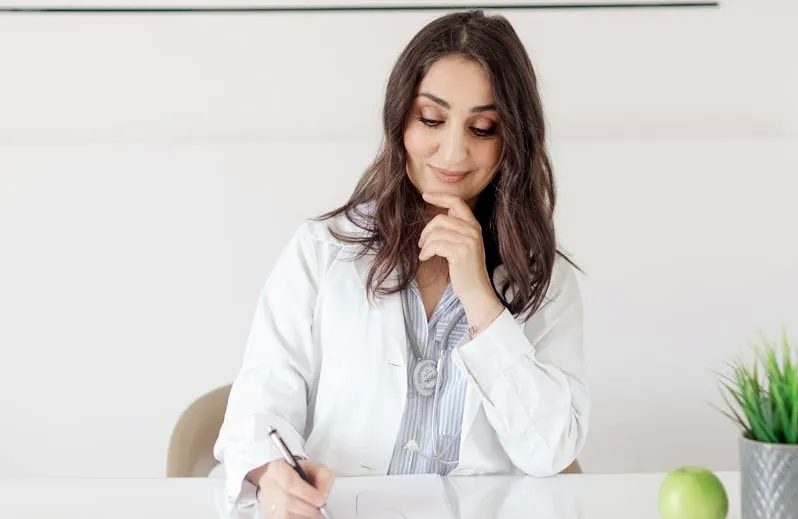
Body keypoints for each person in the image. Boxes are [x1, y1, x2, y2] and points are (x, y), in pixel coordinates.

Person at [214, 9, 590, 519]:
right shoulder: (322, 251)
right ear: (400, 119)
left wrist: (482, 298)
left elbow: (551, 453)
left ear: (512, 143)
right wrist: (272, 474)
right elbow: (253, 418)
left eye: (482, 128)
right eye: (431, 119)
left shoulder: (545, 280)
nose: (453, 151)